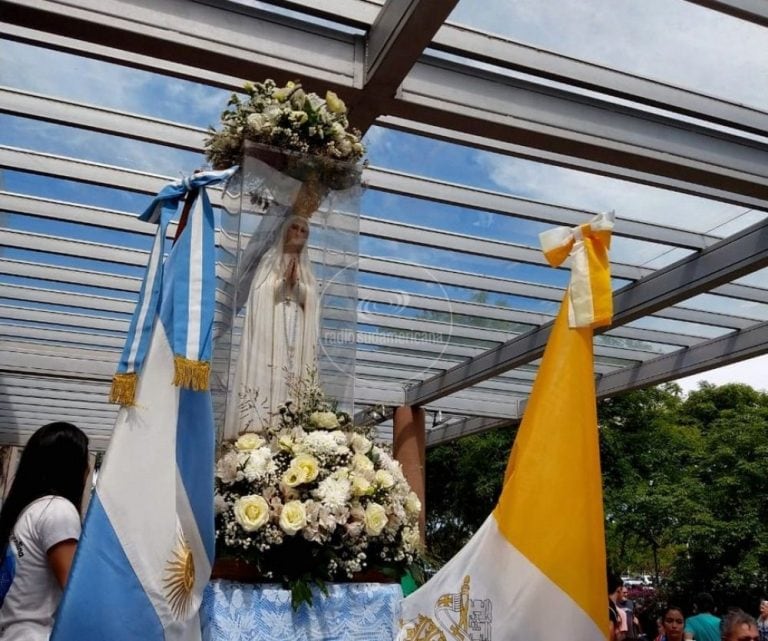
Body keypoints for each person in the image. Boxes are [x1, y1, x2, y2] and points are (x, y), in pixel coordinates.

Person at [224, 213, 320, 437]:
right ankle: (260, 425)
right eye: (294, 227)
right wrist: (282, 283)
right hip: (272, 324)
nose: (297, 233)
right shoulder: (270, 260)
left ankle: (294, 427)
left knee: (295, 371)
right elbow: (259, 294)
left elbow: (313, 299)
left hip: (297, 323)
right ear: (286, 230)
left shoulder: (307, 267)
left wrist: (297, 286)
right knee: (270, 367)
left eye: (303, 230)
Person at [0, 422, 89, 640]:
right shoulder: (58, 510)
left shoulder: (27, 511)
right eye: (84, 460)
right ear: (71, 467)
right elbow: (76, 595)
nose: (88, 469)